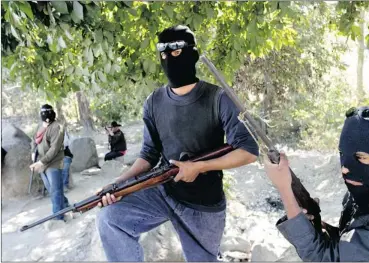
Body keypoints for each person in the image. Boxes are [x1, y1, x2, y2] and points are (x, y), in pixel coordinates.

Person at [96, 25, 259, 262]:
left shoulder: (218, 98)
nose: (168, 59)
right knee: (110, 219)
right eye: (162, 54)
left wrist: (199, 167)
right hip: (163, 192)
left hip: (203, 206)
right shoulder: (154, 102)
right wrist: (119, 184)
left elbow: (248, 152)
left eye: (175, 52)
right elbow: (148, 154)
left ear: (192, 54)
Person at [264, 106, 369, 262]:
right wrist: (321, 227)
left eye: (360, 157)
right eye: (342, 154)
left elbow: (322, 258)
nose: (345, 168)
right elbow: (351, 243)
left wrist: (284, 188)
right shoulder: (360, 194)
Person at [30, 104, 70, 221]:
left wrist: (40, 162)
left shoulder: (57, 127)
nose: (45, 115)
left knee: (56, 190)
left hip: (55, 162)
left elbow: (54, 149)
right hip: (42, 162)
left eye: (47, 112)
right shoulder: (40, 126)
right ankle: (66, 205)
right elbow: (34, 140)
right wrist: (33, 152)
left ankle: (58, 217)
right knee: (52, 189)